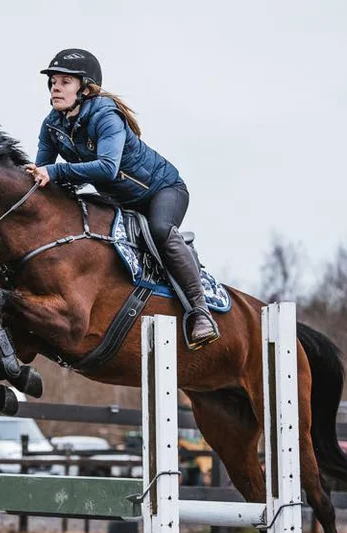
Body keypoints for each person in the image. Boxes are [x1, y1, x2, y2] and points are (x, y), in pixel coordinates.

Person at [24, 48, 220, 350]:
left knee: (159, 230)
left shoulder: (106, 114)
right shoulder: (52, 126)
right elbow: (45, 177)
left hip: (162, 191)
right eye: (52, 82)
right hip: (119, 200)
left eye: (64, 82)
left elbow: (106, 167)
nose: (55, 88)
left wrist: (55, 170)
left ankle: (200, 312)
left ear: (85, 88)